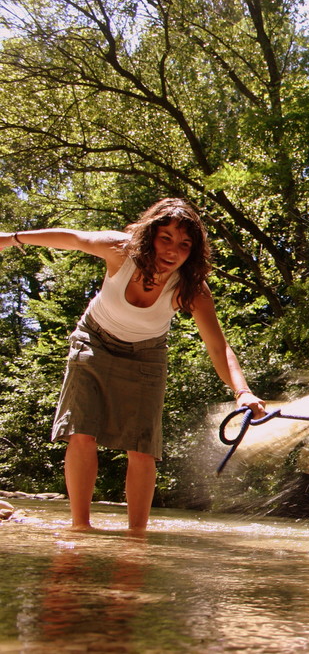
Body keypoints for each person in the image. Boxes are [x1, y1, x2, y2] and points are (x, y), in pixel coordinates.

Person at [0, 198, 266, 533]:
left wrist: (242, 392)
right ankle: (80, 527)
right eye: (165, 238)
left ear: (193, 251)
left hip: (146, 355)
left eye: (184, 244)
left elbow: (218, 346)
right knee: (81, 431)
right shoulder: (119, 249)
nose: (172, 250)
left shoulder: (191, 287)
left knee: (142, 448)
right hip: (92, 341)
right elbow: (72, 238)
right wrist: (11, 238)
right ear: (149, 235)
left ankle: (136, 535)